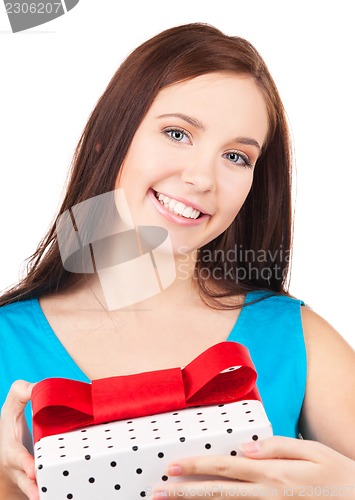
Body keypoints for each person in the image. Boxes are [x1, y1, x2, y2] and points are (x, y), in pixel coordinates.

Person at [0, 22, 354, 500]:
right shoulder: (7, 339)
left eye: (235, 156)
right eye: (177, 133)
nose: (202, 177)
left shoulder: (296, 337)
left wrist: (338, 490)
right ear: (109, 138)